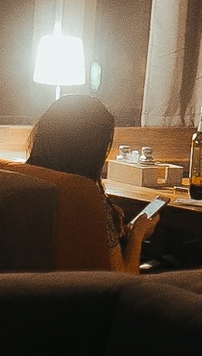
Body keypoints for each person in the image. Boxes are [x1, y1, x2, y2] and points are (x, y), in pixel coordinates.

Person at [24, 94, 158, 272]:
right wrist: (137, 236)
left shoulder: (25, 178)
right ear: (92, 151)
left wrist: (107, 223)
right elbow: (123, 281)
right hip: (85, 288)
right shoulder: (86, 199)